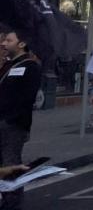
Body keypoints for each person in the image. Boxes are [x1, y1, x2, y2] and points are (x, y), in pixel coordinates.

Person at [0, 30, 42, 210]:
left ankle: (12, 202)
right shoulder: (9, 65)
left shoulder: (30, 66)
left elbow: (26, 98)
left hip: (13, 125)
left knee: (11, 164)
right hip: (3, 121)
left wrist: (10, 119)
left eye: (8, 40)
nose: (3, 43)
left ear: (21, 44)